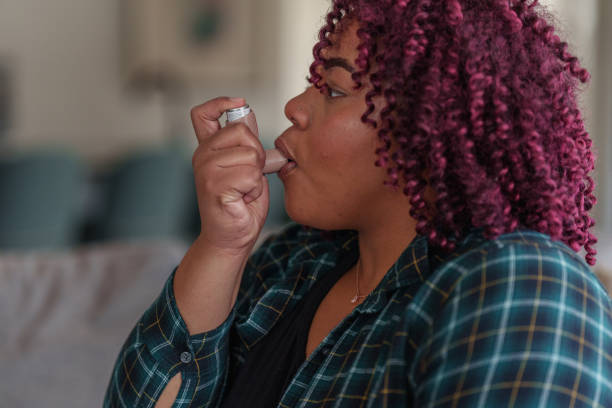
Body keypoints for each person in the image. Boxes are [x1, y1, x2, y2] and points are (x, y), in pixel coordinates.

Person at [104, 0, 612, 407]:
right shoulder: (291, 264)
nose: (294, 108)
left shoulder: (522, 283)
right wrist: (222, 244)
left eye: (334, 89)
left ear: (426, 130)